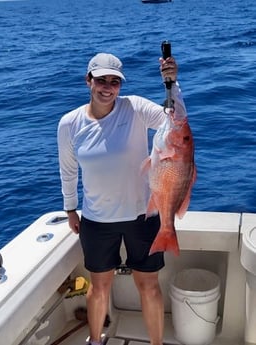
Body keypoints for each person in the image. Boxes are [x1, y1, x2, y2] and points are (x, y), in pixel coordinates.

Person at [57, 52, 186, 345]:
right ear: (87, 80)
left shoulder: (136, 108)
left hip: (144, 216)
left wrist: (173, 83)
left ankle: (156, 344)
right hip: (97, 220)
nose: (107, 87)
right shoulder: (69, 123)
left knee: (149, 286)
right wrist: (70, 210)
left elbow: (176, 120)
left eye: (114, 81)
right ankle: (95, 340)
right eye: (101, 80)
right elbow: (67, 171)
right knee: (99, 287)